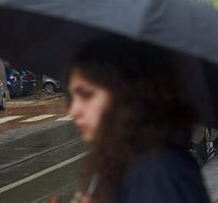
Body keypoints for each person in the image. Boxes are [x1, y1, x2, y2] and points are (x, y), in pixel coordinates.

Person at [65, 40, 210, 203]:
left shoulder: (155, 174)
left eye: (86, 94)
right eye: (71, 97)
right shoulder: (134, 159)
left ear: (124, 97)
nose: (73, 110)